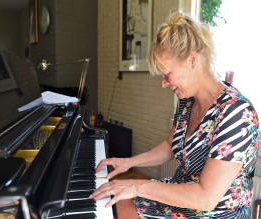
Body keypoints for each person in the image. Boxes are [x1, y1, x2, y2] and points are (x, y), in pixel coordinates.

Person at [89, 11, 260, 218]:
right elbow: (170, 146)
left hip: (213, 211)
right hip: (181, 193)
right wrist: (129, 162)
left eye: (167, 75)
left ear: (192, 60)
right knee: (113, 206)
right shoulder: (187, 102)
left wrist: (137, 186)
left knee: (121, 204)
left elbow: (206, 198)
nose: (164, 84)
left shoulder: (236, 112)